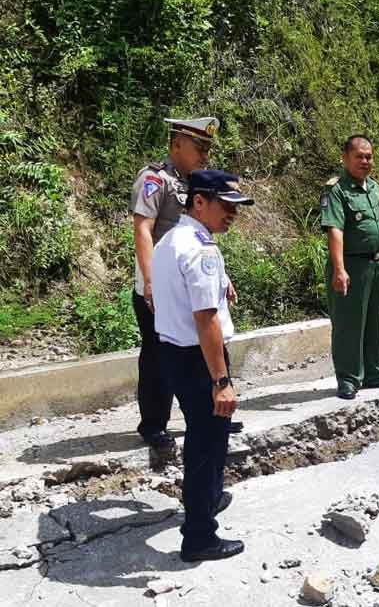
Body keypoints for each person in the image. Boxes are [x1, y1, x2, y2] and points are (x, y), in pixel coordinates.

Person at [151, 169, 252, 562]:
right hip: (199, 359)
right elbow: (206, 319)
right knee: (206, 444)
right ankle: (198, 537)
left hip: (174, 352)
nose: (232, 214)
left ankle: (208, 497)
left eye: (236, 208)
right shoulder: (200, 249)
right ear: (199, 202)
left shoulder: (171, 240)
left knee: (206, 435)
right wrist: (221, 380)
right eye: (225, 206)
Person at [130, 116, 224, 451]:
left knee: (198, 349)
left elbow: (205, 233)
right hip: (160, 286)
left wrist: (222, 277)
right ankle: (154, 426)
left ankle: (210, 413)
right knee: (158, 356)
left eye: (207, 148)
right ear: (176, 145)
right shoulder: (155, 179)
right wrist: (151, 281)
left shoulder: (197, 182)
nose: (204, 154)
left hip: (189, 284)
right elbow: (143, 229)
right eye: (199, 147)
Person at [321, 135, 379, 399]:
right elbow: (335, 230)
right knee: (348, 324)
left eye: (369, 156)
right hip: (352, 265)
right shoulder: (337, 190)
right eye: (359, 156)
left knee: (373, 321)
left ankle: (374, 373)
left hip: (376, 264)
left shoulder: (375, 188)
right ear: (345, 158)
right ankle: (348, 377)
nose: (365, 161)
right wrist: (339, 268)